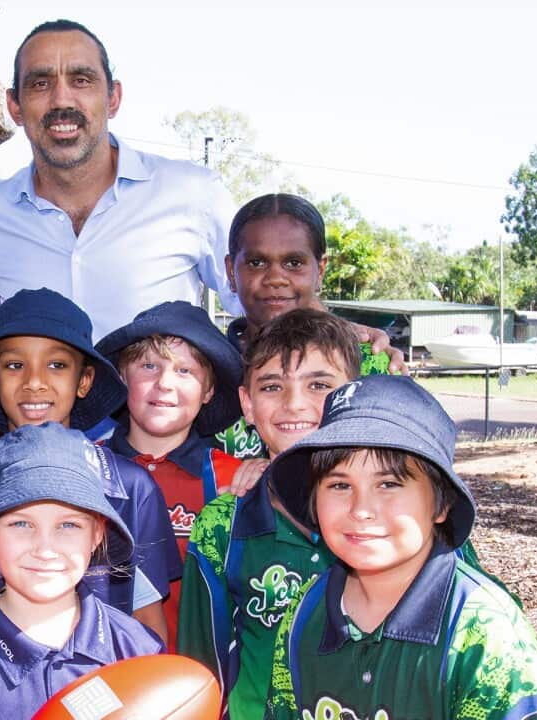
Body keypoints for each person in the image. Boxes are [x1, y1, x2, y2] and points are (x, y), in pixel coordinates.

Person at [265, 375, 537, 720]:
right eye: (339, 485)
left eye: (388, 484)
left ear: (442, 504)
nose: (361, 509)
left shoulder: (484, 636)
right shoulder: (305, 610)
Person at [0, 19, 240, 340]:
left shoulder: (193, 193)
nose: (62, 101)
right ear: (15, 106)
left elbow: (258, 301)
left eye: (81, 80)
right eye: (40, 83)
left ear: (113, 98)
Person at [0, 287, 177, 641]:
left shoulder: (130, 489)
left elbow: (146, 624)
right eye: (14, 365)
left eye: (56, 365)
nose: (34, 382)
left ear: (83, 381)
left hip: (103, 688)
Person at [176, 309, 360, 719]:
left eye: (319, 384)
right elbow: (199, 667)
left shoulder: (400, 517)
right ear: (247, 403)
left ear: (354, 393)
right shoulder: (221, 525)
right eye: (273, 386)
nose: (295, 404)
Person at [0, 423, 163, 719]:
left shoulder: (139, 652)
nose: (44, 548)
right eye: (21, 524)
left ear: (97, 535)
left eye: (68, 525)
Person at [95, 300, 244, 650]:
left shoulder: (233, 481)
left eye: (184, 371)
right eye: (149, 365)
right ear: (121, 376)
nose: (164, 383)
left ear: (208, 391)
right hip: (97, 678)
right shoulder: (85, 466)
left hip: (201, 683)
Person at [217, 192, 399, 458]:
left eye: (294, 263)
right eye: (256, 263)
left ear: (320, 270)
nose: (276, 278)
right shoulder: (204, 368)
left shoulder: (369, 362)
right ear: (231, 271)